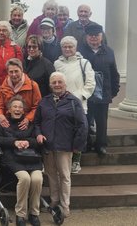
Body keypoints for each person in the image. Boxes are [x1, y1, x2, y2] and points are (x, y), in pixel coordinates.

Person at [34, 72, 88, 218]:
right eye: (54, 82)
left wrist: (77, 146)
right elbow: (37, 122)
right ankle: (54, 201)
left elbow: (82, 125)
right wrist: (38, 134)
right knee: (51, 175)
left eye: (59, 82)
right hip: (48, 146)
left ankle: (65, 206)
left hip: (65, 146)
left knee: (64, 176)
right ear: (50, 85)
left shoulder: (73, 101)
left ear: (65, 84)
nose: (57, 85)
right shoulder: (44, 101)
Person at [0, 95, 43, 226]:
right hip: (11, 157)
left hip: (31, 157)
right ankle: (21, 214)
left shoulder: (29, 124)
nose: (17, 109)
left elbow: (37, 141)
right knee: (25, 178)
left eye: (20, 107)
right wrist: (14, 142)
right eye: (15, 106)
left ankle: (34, 213)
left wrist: (28, 142)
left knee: (37, 179)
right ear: (9, 109)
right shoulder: (2, 123)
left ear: (24, 110)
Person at [54, 36, 95, 174]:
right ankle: (64, 161)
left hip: (79, 104)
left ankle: (76, 161)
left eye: (70, 46)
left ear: (75, 48)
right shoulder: (57, 64)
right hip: (61, 104)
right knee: (64, 133)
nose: (67, 49)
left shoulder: (84, 63)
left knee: (79, 133)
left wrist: (81, 96)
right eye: (65, 46)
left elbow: (90, 83)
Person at [79, 24, 120, 156]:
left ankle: (101, 145)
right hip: (86, 93)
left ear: (101, 37)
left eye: (96, 36)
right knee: (85, 120)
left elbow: (114, 73)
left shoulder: (109, 51)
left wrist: (114, 90)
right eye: (91, 36)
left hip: (103, 92)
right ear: (86, 37)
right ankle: (86, 144)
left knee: (102, 121)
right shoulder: (80, 52)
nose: (93, 38)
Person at [0, 58, 42, 130]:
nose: (14, 74)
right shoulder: (2, 88)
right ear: (7, 72)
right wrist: (0, 115)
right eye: (11, 72)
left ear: (22, 70)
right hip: (8, 123)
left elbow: (37, 107)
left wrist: (28, 119)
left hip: (27, 123)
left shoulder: (33, 86)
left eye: (16, 71)